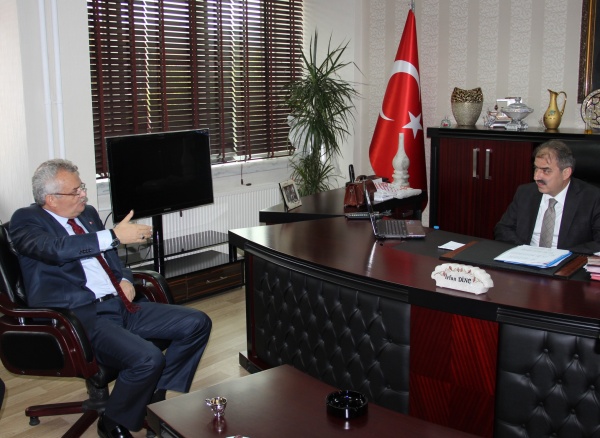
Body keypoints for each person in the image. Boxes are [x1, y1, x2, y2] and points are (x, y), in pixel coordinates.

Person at [9, 159, 212, 438]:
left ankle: (155, 396)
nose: (84, 195)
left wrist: (125, 279)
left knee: (197, 322)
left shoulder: (88, 214)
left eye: (82, 187)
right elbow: (56, 249)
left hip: (121, 304)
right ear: (51, 199)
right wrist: (114, 234)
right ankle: (112, 422)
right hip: (81, 317)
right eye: (76, 191)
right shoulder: (27, 220)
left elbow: (113, 260)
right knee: (148, 359)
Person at [494, 139, 600, 254]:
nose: (536, 177)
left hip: (567, 259)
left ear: (566, 173)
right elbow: (503, 228)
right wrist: (524, 251)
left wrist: (563, 255)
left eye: (546, 171)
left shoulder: (592, 198)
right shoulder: (525, 192)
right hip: (526, 257)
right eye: (536, 169)